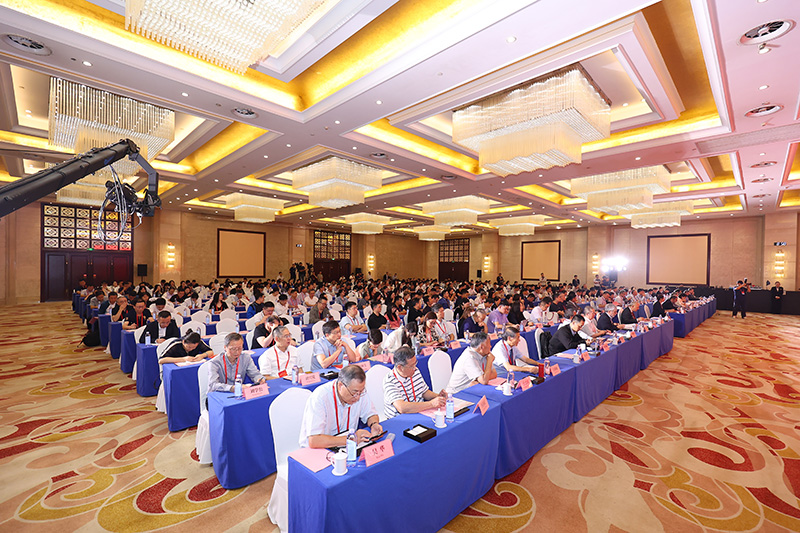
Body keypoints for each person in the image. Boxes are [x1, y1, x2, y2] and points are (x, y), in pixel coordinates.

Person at [298, 365, 382, 448]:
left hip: (345, 445)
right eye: (354, 393)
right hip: (320, 448)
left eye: (361, 392)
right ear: (340, 385)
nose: (358, 397)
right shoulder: (320, 397)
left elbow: (371, 414)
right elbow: (314, 440)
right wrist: (351, 439)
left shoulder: (359, 391)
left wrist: (374, 424)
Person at [383, 346, 446, 418]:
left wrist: (438, 397)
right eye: (411, 366)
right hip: (400, 418)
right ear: (400, 367)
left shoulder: (415, 371)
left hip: (419, 412)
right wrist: (431, 404)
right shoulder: (389, 381)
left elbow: (424, 392)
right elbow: (402, 408)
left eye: (415, 364)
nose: (415, 368)